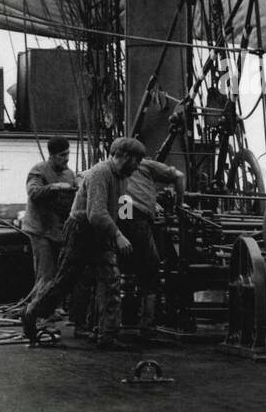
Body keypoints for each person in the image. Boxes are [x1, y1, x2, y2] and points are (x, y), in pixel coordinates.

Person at [21, 137, 140, 351]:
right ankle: (32, 312)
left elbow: (121, 208)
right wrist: (118, 235)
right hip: (81, 228)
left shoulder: (123, 177)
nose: (137, 167)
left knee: (110, 280)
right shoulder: (100, 173)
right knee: (65, 280)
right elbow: (96, 213)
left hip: (102, 229)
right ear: (121, 156)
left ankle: (107, 335)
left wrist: (129, 225)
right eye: (135, 161)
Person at [117, 137, 185, 336]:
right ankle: (147, 326)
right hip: (136, 220)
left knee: (124, 269)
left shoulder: (106, 168)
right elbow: (179, 176)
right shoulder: (143, 166)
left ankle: (126, 321)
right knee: (151, 269)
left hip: (124, 220)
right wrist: (179, 206)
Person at [22, 137, 77, 291]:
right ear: (51, 156)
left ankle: (53, 308)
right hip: (40, 230)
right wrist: (54, 187)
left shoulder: (70, 175)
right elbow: (33, 191)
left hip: (58, 231)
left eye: (67, 154)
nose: (66, 159)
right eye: (62, 155)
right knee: (45, 273)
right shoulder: (38, 171)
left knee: (59, 273)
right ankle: (39, 311)